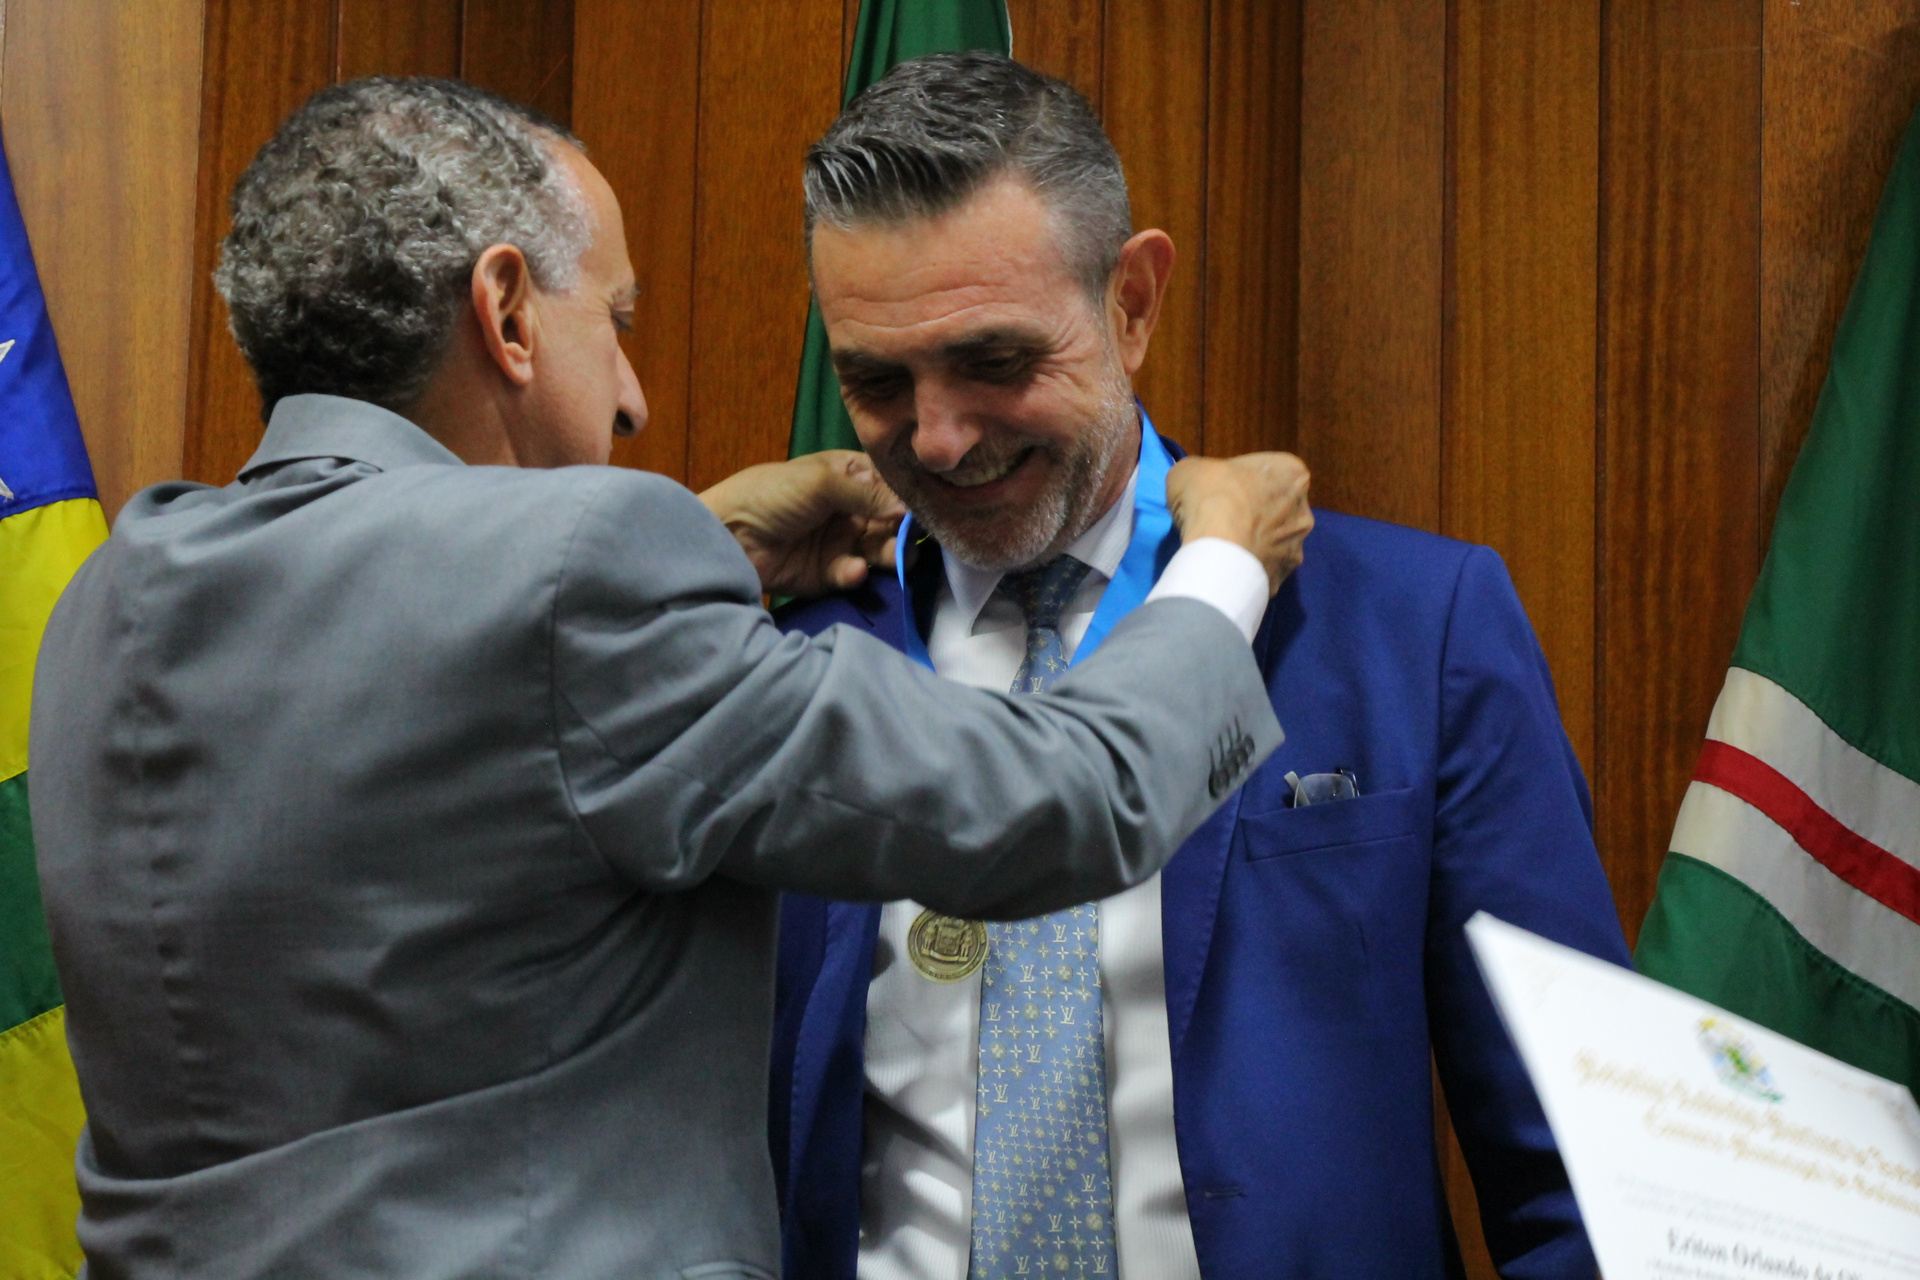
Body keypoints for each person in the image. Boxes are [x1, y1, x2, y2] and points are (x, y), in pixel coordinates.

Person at [27, 77, 1315, 1280]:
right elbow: (1070, 799)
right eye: (617, 319)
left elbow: (410, 752)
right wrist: (1223, 559)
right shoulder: (584, 566)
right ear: (508, 311)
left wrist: (694, 553)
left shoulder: (109, 592)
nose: (635, 397)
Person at [768, 52, 1633, 1280]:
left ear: (1131, 301)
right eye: (877, 380)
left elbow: (1585, 1174)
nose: (942, 437)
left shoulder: (1411, 626)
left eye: (995, 361)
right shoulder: (786, 652)